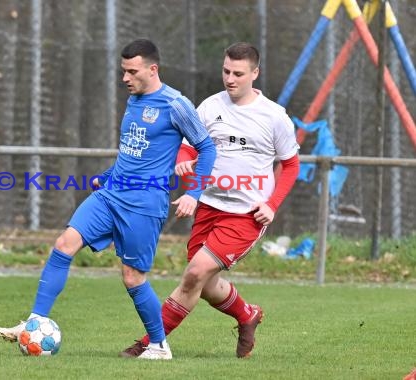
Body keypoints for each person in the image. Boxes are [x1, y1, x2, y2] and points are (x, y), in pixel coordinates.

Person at [0, 38, 216, 360]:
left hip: (144, 202)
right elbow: (134, 151)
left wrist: (194, 193)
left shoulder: (176, 104)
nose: (125, 78)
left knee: (132, 277)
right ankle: (35, 320)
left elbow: (207, 148)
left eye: (132, 71)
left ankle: (158, 346)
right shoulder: (134, 100)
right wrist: (108, 174)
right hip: (111, 194)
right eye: (123, 71)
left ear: (152, 69)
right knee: (64, 244)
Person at [120, 42, 300, 359]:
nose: (230, 79)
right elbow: (190, 147)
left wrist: (271, 205)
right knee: (203, 283)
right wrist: (184, 161)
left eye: (238, 74)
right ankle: (247, 315)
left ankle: (151, 343)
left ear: (255, 73)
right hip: (208, 207)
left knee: (194, 274)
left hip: (246, 215)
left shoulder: (274, 117)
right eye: (226, 71)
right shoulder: (208, 106)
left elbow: (291, 165)